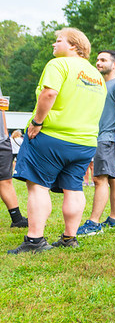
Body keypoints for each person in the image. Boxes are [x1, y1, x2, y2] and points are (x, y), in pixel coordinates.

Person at [8, 27, 107, 254]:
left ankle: (35, 241)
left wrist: (37, 122)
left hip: (52, 137)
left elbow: (49, 94)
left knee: (38, 186)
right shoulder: (97, 76)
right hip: (85, 142)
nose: (54, 44)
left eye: (58, 40)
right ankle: (69, 238)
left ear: (73, 45)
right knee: (74, 188)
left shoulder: (58, 64)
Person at [76, 50, 115, 237]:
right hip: (99, 136)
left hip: (108, 138)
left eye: (103, 60)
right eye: (97, 59)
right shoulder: (100, 84)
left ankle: (94, 223)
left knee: (100, 179)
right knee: (113, 177)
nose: (98, 63)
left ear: (114, 64)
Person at [0, 89, 28, 229]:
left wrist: (5, 134)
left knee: (5, 179)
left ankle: (17, 219)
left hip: (1, 140)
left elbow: (2, 109)